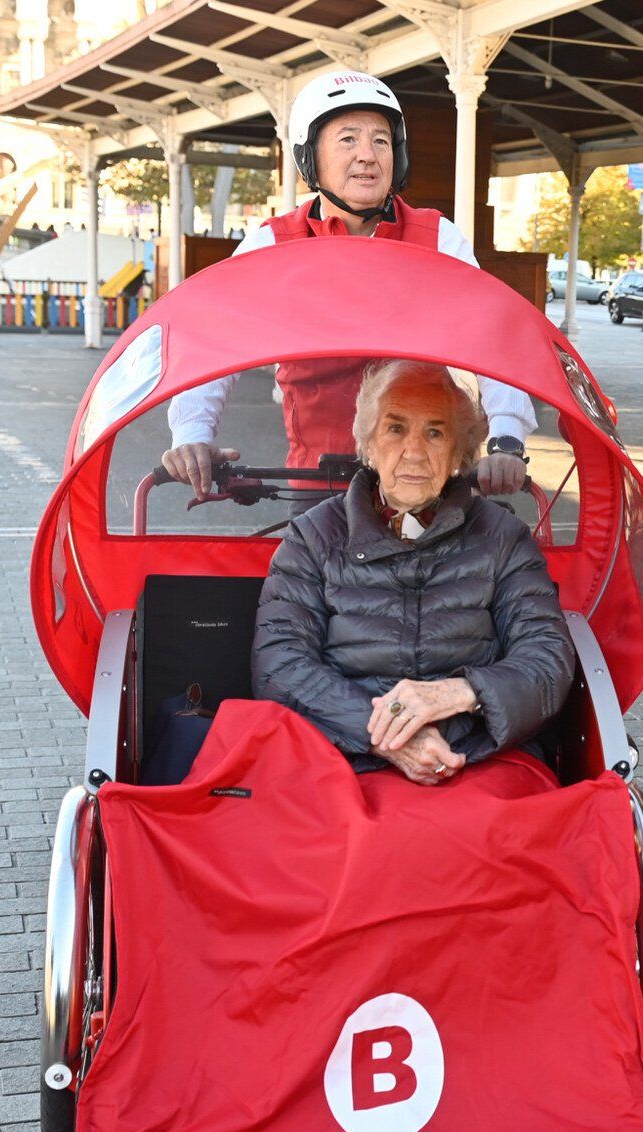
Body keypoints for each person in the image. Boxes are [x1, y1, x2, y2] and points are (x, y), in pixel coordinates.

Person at [162, 71, 536, 499]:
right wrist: (191, 432)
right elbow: (212, 336)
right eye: (347, 140)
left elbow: (495, 333)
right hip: (316, 479)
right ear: (310, 157)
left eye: (381, 141)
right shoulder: (273, 243)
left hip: (420, 475)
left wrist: (507, 437)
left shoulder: (438, 238)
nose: (368, 155)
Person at [252, 359, 573, 786]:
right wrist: (388, 735)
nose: (415, 452)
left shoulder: (503, 537)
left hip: (475, 755)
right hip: (341, 753)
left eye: (436, 432)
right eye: (396, 428)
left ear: (460, 453)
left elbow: (548, 657)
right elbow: (280, 662)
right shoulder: (313, 537)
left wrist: (459, 694)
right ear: (367, 444)